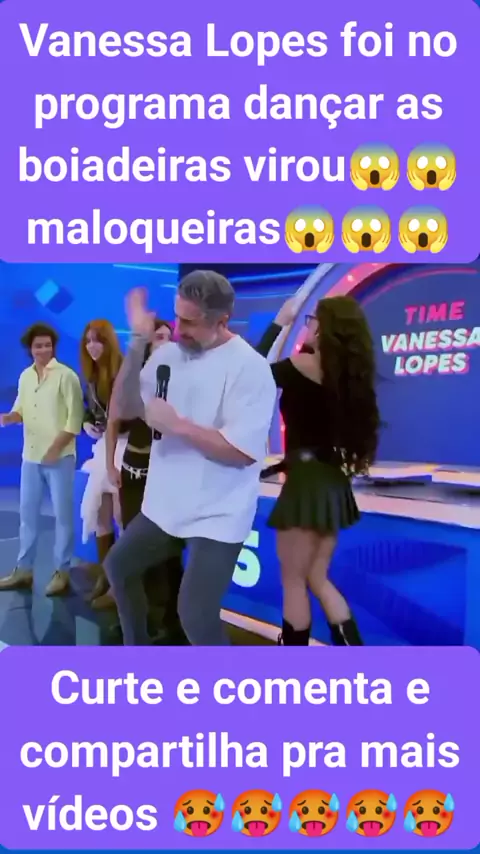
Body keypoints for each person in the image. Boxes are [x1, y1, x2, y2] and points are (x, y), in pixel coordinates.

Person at [104, 270, 277, 645]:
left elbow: (240, 453)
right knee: (119, 566)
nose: (178, 329)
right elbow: (124, 407)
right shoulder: (168, 354)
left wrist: (179, 426)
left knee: (195, 614)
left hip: (218, 514)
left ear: (222, 321)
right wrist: (136, 343)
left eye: (190, 322)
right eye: (176, 317)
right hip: (164, 507)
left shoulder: (250, 368)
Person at [257, 296, 380, 646]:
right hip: (332, 482)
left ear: (324, 328)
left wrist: (278, 323)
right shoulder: (351, 378)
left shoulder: (301, 365)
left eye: (312, 319)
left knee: (294, 581)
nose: (307, 324)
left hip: (305, 486)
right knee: (317, 576)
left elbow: (249, 371)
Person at [107, 319, 187, 644]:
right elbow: (114, 418)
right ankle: (138, 620)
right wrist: (110, 465)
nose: (163, 342)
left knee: (168, 556)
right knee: (130, 553)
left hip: (165, 478)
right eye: (157, 337)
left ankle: (173, 621)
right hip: (132, 473)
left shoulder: (181, 379)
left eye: (168, 337)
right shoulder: (136, 380)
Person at [0, 323, 84, 595]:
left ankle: (62, 571)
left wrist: (54, 449)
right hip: (31, 457)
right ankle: (24, 570)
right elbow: (20, 409)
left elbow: (74, 421)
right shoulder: (25, 377)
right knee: (27, 516)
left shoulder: (67, 376)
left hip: (60, 458)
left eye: (48, 345)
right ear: (30, 349)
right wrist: (9, 418)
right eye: (39, 346)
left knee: (63, 517)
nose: (44, 350)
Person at [79, 319, 124, 608]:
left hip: (126, 448)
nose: (92, 346)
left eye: (97, 340)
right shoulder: (92, 377)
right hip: (104, 447)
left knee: (122, 515)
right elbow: (90, 411)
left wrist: (110, 428)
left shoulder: (123, 372)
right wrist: (88, 424)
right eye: (88, 341)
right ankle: (106, 578)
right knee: (98, 511)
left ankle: (122, 584)